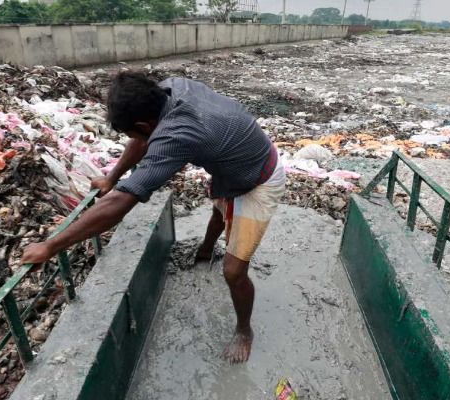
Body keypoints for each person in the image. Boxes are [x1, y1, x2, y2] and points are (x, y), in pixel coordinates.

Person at [20, 71, 285, 364]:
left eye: (130, 133)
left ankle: (244, 331)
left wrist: (51, 246)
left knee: (233, 272)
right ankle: (206, 250)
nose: (135, 139)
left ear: (144, 125)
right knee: (219, 210)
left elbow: (124, 200)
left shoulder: (178, 133)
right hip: (233, 164)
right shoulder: (169, 90)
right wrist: (112, 177)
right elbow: (143, 139)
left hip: (260, 180)